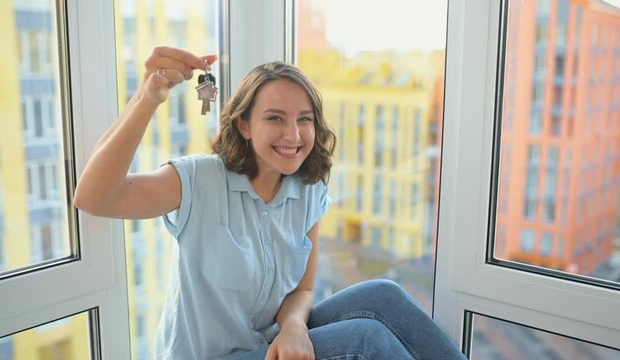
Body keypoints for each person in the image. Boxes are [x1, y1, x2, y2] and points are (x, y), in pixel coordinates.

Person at [73, 46, 466, 360]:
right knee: (365, 339)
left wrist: (295, 325)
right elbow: (94, 197)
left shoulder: (308, 190)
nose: (293, 135)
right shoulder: (200, 180)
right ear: (244, 125)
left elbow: (302, 290)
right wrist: (148, 98)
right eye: (275, 118)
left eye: (305, 119)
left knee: (384, 296)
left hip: (270, 344)